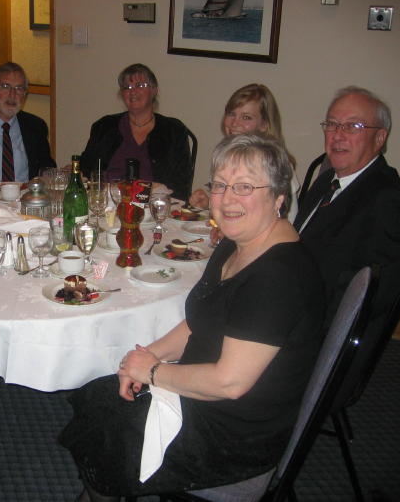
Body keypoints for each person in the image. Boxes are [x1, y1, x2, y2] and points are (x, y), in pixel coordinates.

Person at [60, 134, 325, 501]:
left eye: (245, 187)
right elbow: (197, 322)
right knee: (98, 395)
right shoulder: (237, 243)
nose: (227, 198)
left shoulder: (277, 277)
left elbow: (229, 383)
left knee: (108, 428)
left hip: (232, 432)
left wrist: (152, 373)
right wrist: (145, 356)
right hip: (203, 393)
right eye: (219, 185)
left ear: (279, 197)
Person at [294, 87, 400, 395]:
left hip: (320, 349)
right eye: (332, 124)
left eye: (353, 126)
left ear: (380, 138)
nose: (338, 135)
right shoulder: (328, 181)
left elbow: (361, 302)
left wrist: (281, 321)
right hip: (294, 309)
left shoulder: (389, 201)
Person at [80, 63, 195, 200]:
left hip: (153, 206)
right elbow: (86, 171)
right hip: (108, 203)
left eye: (140, 86)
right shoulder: (104, 126)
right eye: (127, 87)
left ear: (154, 90)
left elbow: (181, 186)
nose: (133, 91)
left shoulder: (173, 131)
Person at [189, 83, 299, 222]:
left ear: (264, 124)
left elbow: (287, 221)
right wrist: (209, 203)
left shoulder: (277, 166)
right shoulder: (227, 157)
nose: (235, 123)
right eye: (231, 114)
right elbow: (236, 204)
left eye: (246, 117)